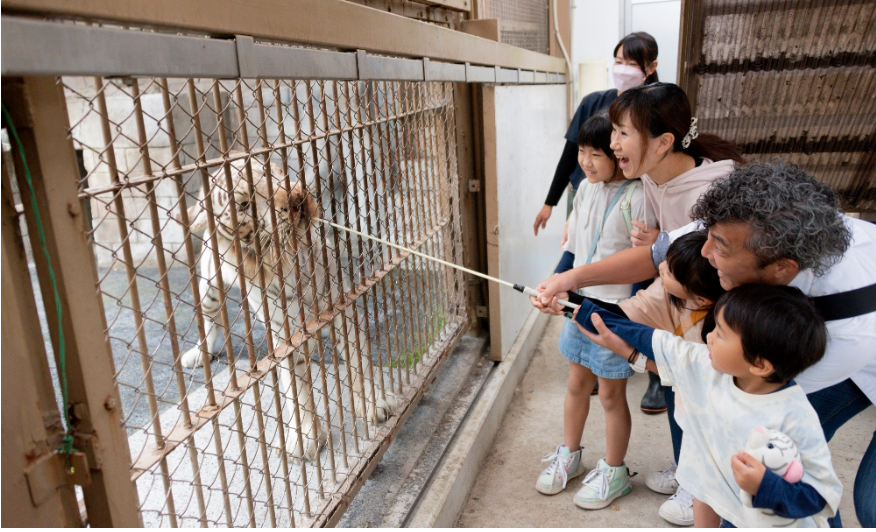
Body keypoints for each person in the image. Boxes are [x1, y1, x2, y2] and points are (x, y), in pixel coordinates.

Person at [537, 160, 876, 527]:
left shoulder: (847, 330)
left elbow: (722, 390)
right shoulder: (742, 220)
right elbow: (656, 257)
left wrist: (637, 354)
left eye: (721, 248)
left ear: (781, 269)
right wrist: (569, 280)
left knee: (832, 492)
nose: (704, 252)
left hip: (857, 357)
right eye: (708, 235)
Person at [572, 285, 844, 527]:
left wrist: (765, 486)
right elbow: (652, 340)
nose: (709, 337)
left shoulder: (795, 416)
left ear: (759, 364)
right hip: (718, 494)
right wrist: (580, 309)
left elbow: (820, 495)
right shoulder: (710, 366)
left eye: (721, 334)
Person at [533, 113, 650, 510]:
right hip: (577, 304)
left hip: (616, 311)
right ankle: (570, 454)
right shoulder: (583, 189)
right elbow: (574, 251)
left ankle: (614, 471)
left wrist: (631, 320)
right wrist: (553, 283)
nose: (585, 161)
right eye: (582, 152)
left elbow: (643, 265)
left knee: (612, 395)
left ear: (618, 155)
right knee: (576, 384)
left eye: (595, 154)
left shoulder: (638, 195)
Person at [533, 31, 659, 241]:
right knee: (574, 249)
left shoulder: (655, 110)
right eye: (619, 62)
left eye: (632, 64)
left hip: (624, 199)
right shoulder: (592, 102)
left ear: (651, 67)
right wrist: (550, 203)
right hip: (583, 189)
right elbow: (570, 154)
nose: (623, 69)